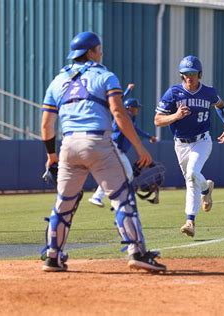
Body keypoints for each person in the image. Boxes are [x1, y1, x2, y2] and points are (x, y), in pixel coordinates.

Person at [40, 31, 166, 272]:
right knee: (122, 197)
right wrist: (140, 148)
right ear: (90, 52)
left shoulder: (57, 81)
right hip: (97, 143)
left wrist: (51, 156)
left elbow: (46, 124)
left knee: (64, 203)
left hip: (68, 146)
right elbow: (119, 114)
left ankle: (53, 256)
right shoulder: (105, 75)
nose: (101, 53)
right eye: (99, 49)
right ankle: (137, 252)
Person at [154, 55, 224, 238]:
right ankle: (206, 189)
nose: (189, 77)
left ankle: (190, 222)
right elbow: (157, 120)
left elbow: (220, 105)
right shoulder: (173, 93)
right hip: (180, 144)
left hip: (202, 141)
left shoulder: (208, 92)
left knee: (191, 174)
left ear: (200, 74)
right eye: (185, 73)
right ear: (181, 75)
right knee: (192, 179)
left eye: (193, 73)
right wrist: (175, 116)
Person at [89, 96, 157, 208]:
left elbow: (135, 130)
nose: (137, 110)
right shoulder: (124, 116)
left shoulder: (128, 117)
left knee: (117, 174)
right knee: (128, 173)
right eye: (135, 108)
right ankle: (117, 198)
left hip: (116, 149)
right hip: (114, 147)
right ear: (129, 107)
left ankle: (101, 197)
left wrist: (149, 136)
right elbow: (129, 127)